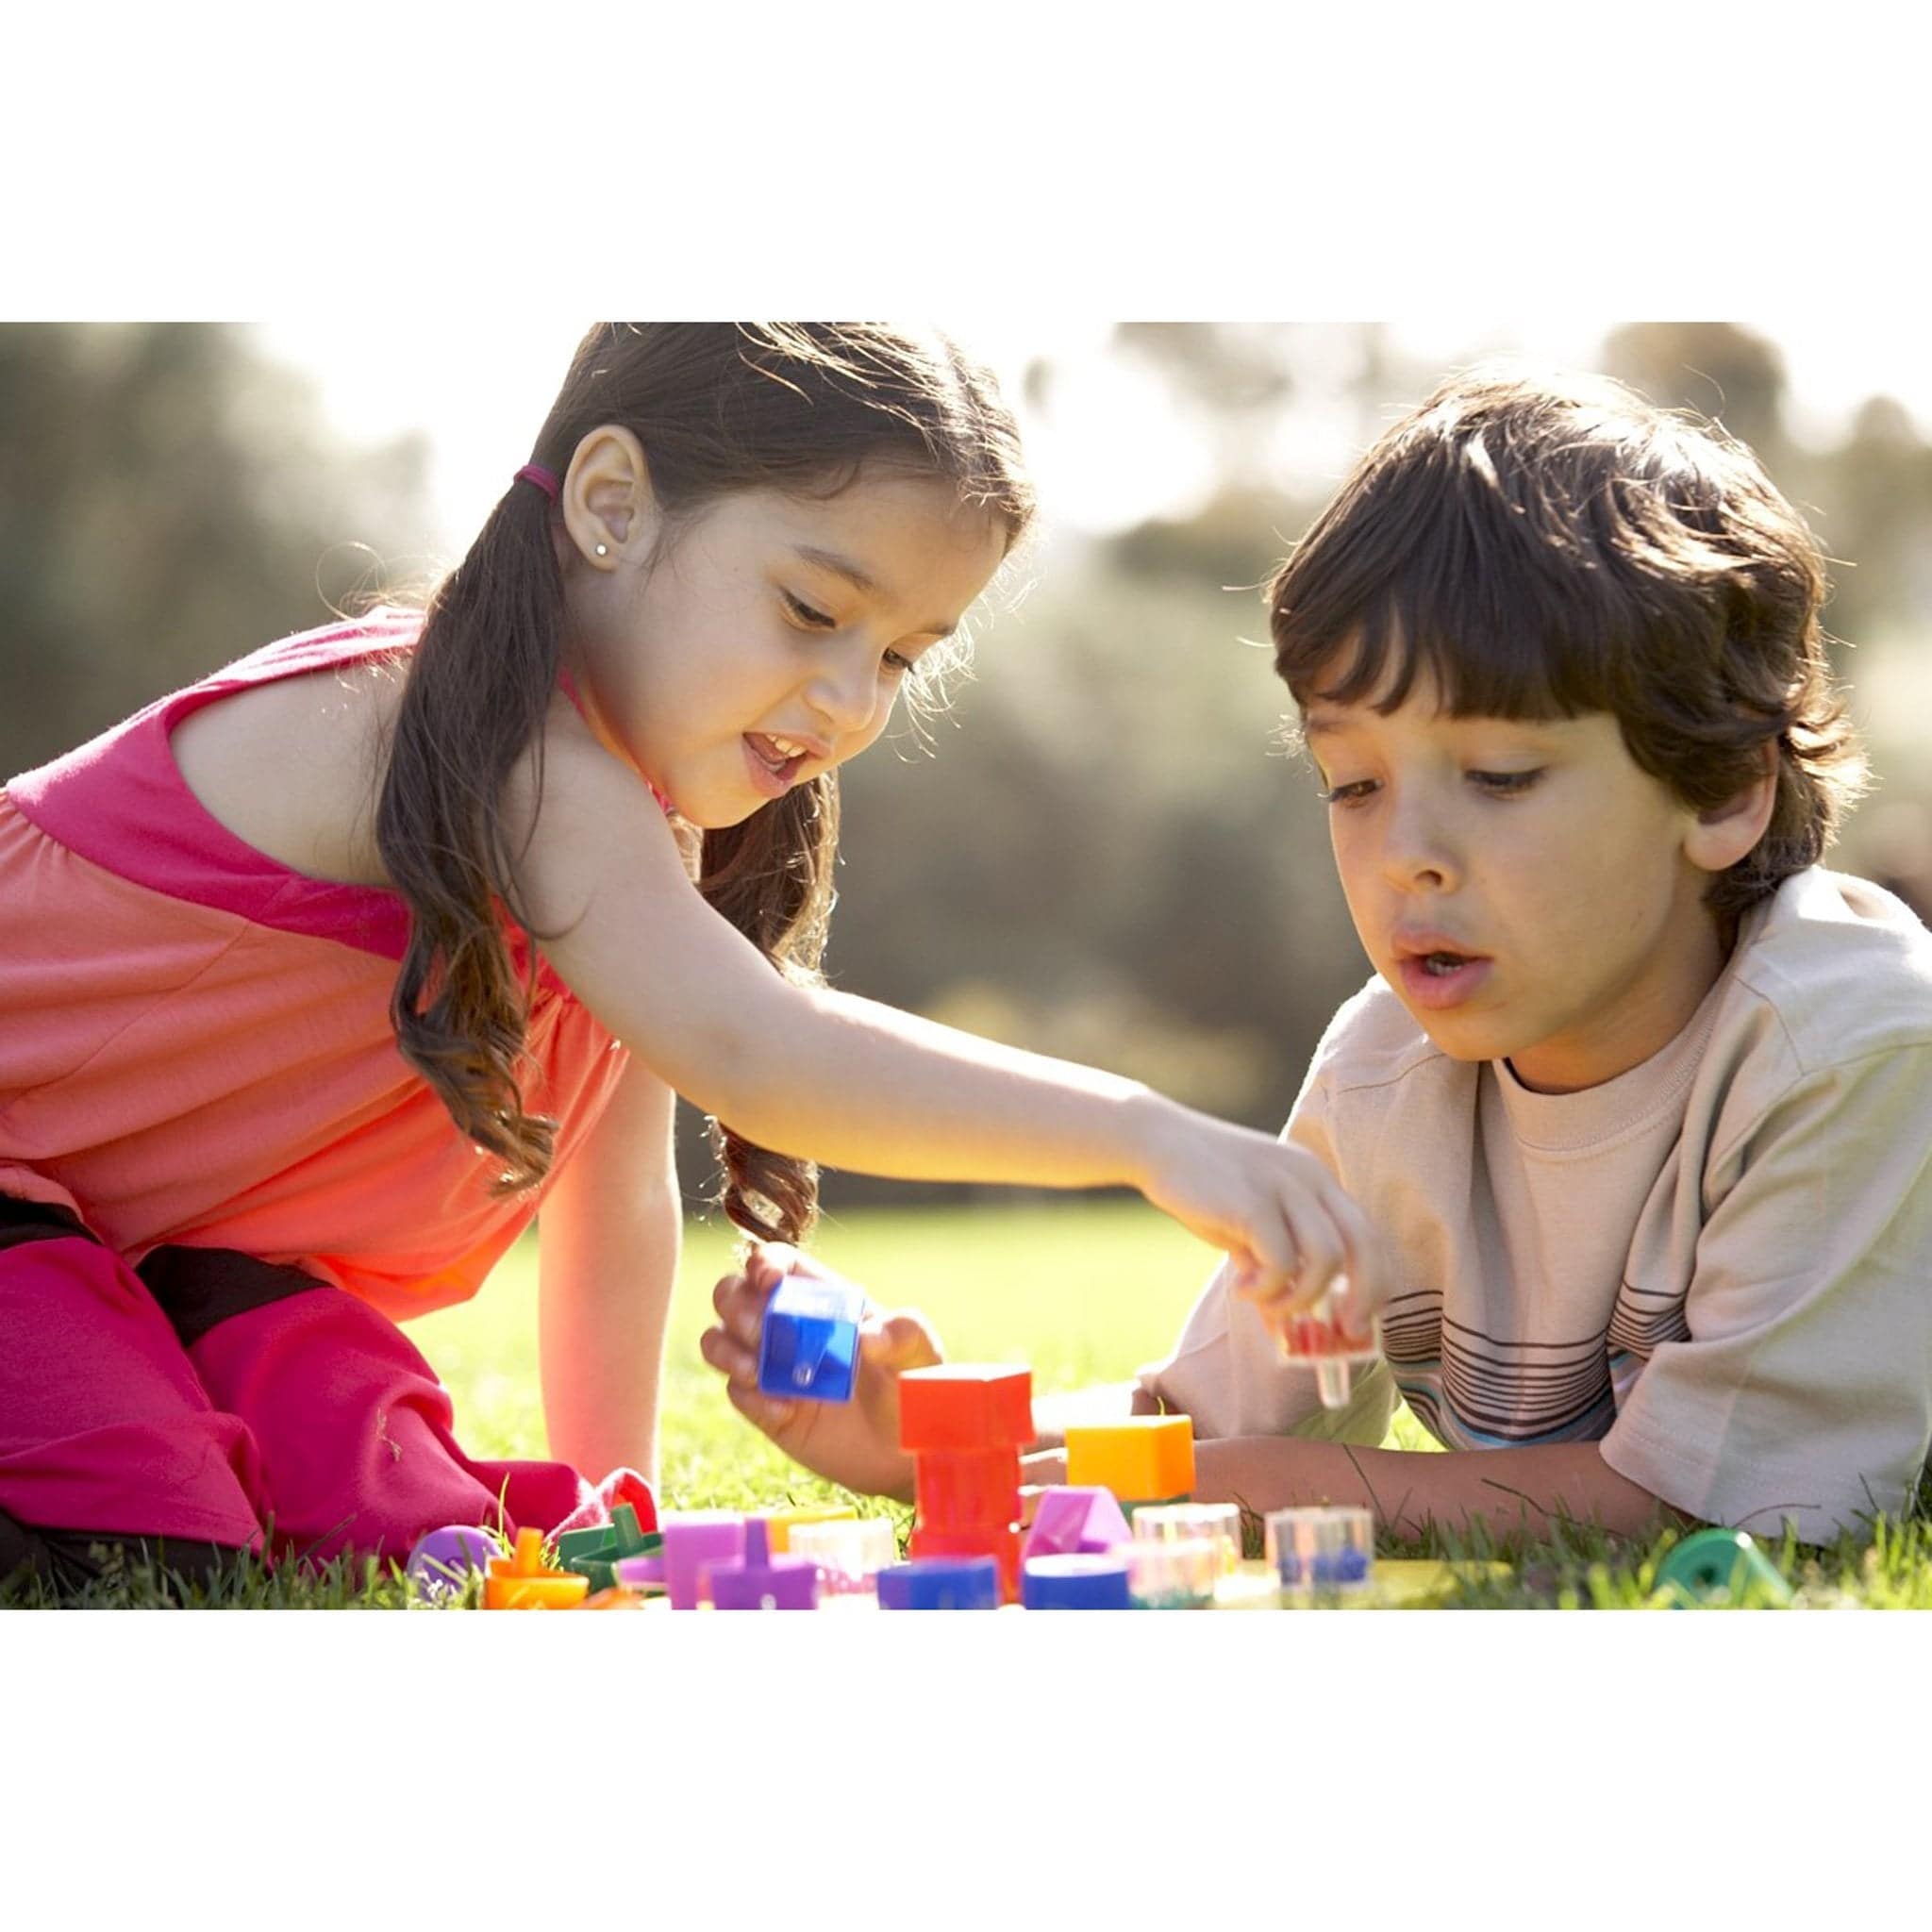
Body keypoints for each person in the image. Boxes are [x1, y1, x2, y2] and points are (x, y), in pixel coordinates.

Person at [0, 322, 1383, 1594]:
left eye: (901, 657)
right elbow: (758, 1052)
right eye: (813, 612)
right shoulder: (464, 733)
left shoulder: (635, 831)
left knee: (415, 1518)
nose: (849, 701)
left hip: (178, 1273)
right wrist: (1144, 1134)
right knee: (143, 1538)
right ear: (611, 504)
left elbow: (613, 1207)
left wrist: (629, 1521)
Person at [704, 367, 1932, 1549]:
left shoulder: (1845, 1046)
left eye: (1500, 776)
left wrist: (1269, 1486)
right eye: (1354, 783)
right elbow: (1206, 1433)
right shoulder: (1385, 1074)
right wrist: (932, 1442)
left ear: (1721, 790)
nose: (1408, 857)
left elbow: (1722, 1510)